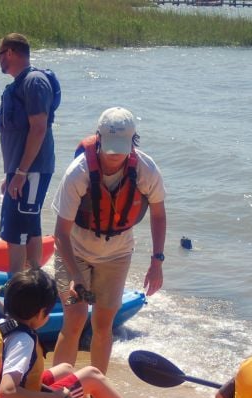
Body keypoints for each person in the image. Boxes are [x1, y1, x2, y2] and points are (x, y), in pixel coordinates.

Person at [51, 107, 166, 374]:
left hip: (117, 255)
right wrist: (75, 275)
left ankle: (95, 391)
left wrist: (157, 261)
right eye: (110, 148)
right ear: (98, 139)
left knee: (103, 324)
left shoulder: (146, 170)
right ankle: (57, 390)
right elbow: (61, 233)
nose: (114, 156)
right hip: (73, 251)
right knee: (76, 318)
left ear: (133, 142)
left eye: (121, 148)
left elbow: (158, 215)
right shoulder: (77, 173)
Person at [0, 268, 136, 398]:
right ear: (41, 313)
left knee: (65, 368)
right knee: (92, 375)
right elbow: (7, 393)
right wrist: (54, 397)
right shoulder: (22, 339)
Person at [0, 33, 57, 275]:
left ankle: (17, 287)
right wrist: (12, 172)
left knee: (16, 230)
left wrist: (21, 172)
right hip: (22, 170)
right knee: (28, 226)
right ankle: (31, 285)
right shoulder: (20, 84)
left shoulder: (34, 81)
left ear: (10, 52)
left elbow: (39, 127)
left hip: (31, 170)